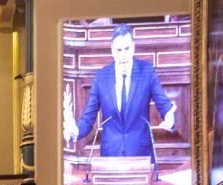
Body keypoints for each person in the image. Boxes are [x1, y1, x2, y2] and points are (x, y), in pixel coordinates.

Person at [63, 23, 176, 157]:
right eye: (119, 50)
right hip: (110, 156)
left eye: (127, 49)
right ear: (112, 50)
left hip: (141, 155)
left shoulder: (147, 72)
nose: (123, 55)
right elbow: (88, 119)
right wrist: (75, 130)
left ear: (133, 47)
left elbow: (163, 104)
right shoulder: (101, 77)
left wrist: (170, 117)